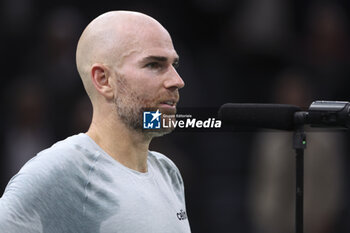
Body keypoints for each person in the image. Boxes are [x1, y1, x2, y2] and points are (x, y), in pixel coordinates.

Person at [0, 10, 191, 233]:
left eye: (173, 65)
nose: (177, 81)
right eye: (154, 65)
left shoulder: (168, 172)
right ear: (103, 80)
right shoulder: (62, 171)